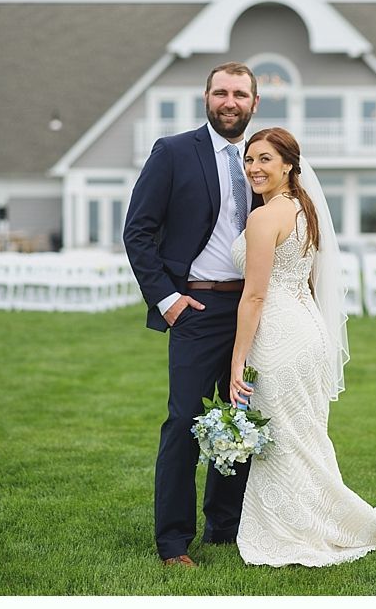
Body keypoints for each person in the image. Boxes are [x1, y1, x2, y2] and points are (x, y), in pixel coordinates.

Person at [228, 127, 376, 566]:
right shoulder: (303, 209)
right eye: (249, 160)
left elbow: (254, 296)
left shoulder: (264, 216)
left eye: (264, 159)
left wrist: (237, 361)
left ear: (288, 164)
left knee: (286, 439)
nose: (254, 168)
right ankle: (320, 518)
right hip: (308, 330)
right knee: (304, 433)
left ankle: (300, 529)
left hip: (277, 335)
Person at [123, 61, 263, 567]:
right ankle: (173, 542)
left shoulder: (263, 158)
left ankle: (225, 528)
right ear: (207, 98)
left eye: (240, 94)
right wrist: (168, 300)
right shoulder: (174, 151)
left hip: (251, 309)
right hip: (196, 307)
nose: (230, 101)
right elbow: (137, 230)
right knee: (185, 420)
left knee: (241, 416)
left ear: (254, 103)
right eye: (221, 92)